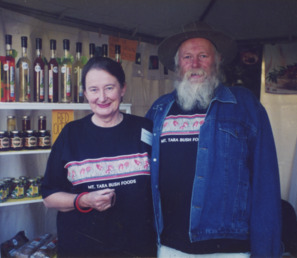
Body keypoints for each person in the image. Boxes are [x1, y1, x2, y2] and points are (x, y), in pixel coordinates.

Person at [145, 22, 282, 257]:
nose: (195, 64)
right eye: (187, 57)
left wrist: (266, 250)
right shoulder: (159, 109)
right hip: (168, 247)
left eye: (203, 56)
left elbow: (265, 183)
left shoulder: (245, 105)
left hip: (227, 250)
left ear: (217, 61)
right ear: (178, 66)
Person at [41, 56, 157, 257]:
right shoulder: (71, 134)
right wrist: (84, 200)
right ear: (85, 93)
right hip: (83, 249)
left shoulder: (145, 129)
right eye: (94, 90)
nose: (102, 97)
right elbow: (49, 198)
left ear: (123, 89)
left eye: (109, 87)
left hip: (137, 248)